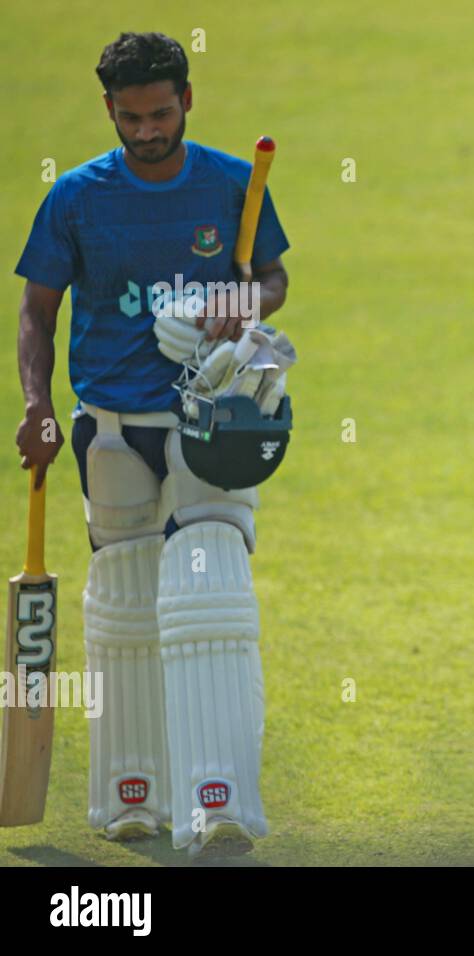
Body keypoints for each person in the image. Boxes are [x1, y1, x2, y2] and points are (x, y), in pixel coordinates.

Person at [13, 31, 291, 857]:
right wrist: (38, 406)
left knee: (211, 599)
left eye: (160, 113)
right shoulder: (74, 197)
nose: (146, 131)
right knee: (127, 609)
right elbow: (37, 311)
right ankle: (131, 795)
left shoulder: (233, 182)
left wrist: (249, 302)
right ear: (109, 110)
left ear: (187, 101)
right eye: (129, 117)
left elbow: (273, 275)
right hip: (110, 425)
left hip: (212, 421)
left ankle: (222, 802)